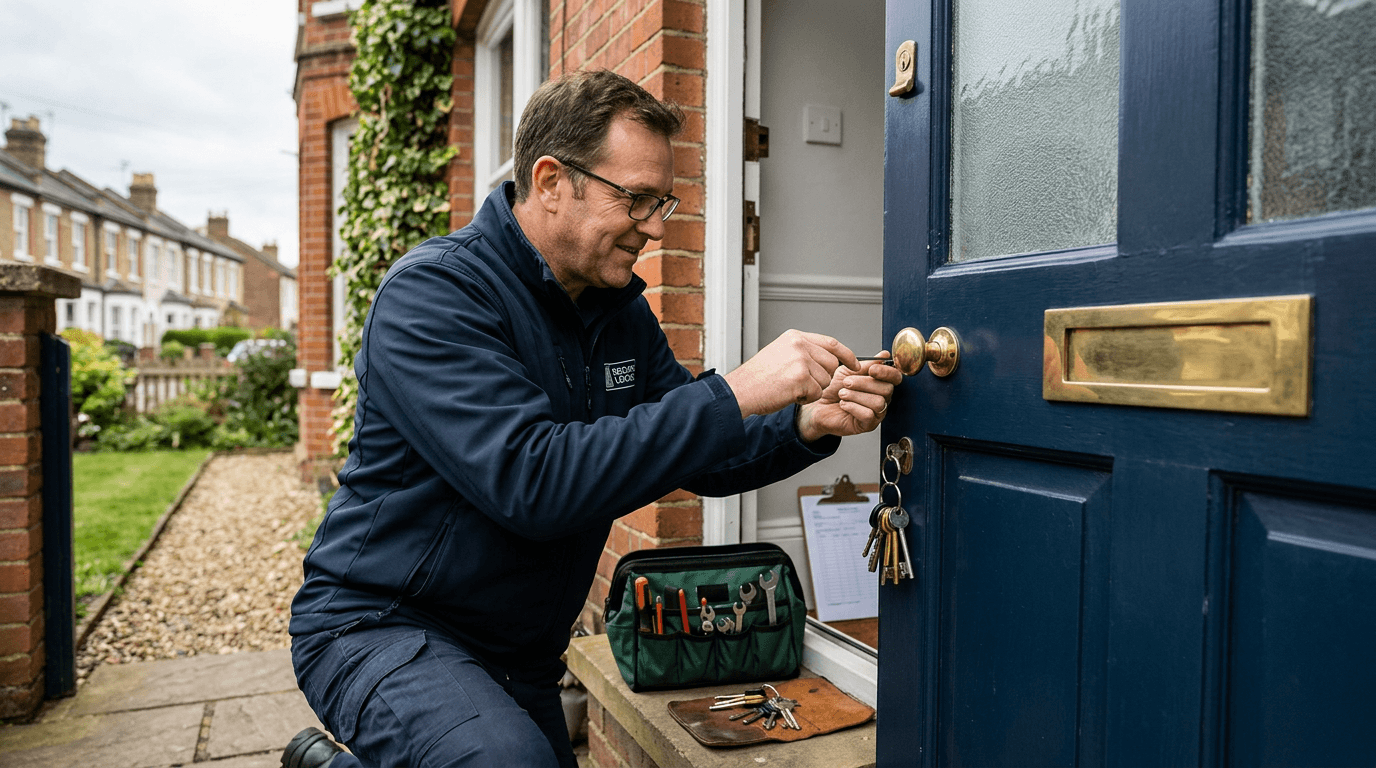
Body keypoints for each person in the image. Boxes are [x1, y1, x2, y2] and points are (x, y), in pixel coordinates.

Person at [282, 69, 901, 768]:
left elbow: (700, 453)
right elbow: (533, 481)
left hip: (517, 652)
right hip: (381, 626)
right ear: (551, 181)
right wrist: (736, 390)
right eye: (635, 198)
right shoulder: (435, 294)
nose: (656, 227)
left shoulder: (616, 313)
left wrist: (806, 424)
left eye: (661, 202)